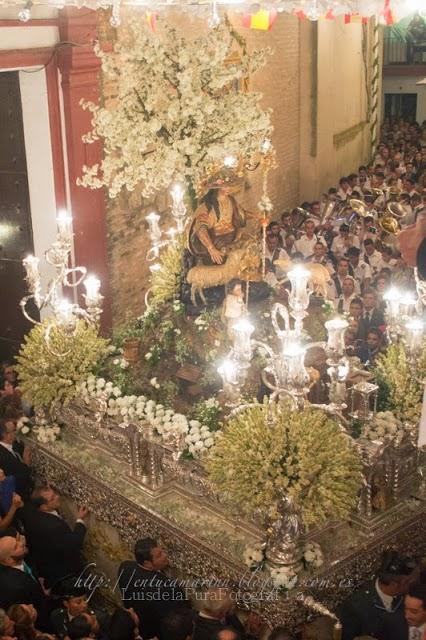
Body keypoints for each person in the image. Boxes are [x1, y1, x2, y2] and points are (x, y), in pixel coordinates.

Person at [118, 537, 189, 640]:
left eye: (162, 551)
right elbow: (175, 617)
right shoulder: (164, 591)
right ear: (147, 563)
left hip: (139, 624)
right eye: (159, 555)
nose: (165, 555)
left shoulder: (125, 567)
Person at [339, 551, 417, 640]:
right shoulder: (356, 606)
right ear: (394, 585)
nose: (412, 583)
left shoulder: (411, 595)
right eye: (407, 582)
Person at [22, 485, 89, 588]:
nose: (57, 496)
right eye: (52, 498)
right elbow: (75, 543)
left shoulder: (31, 512)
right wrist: (80, 520)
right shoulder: (55, 526)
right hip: (62, 569)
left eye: (54, 494)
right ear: (43, 507)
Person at [188, 180, 249, 266]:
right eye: (225, 186)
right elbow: (200, 229)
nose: (229, 188)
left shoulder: (231, 200)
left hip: (232, 237)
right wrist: (211, 248)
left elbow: (241, 214)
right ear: (217, 187)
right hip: (216, 242)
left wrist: (257, 216)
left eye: (229, 185)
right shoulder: (207, 205)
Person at [0, 534, 48, 628]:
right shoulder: (16, 586)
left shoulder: (22, 557)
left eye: (17, 540)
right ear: (9, 560)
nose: (21, 543)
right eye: (16, 547)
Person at [0, 421, 32, 501]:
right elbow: (20, 478)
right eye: (14, 430)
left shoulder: (14, 444)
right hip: (20, 496)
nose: (16, 433)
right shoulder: (3, 456)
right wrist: (26, 462)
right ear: (6, 434)